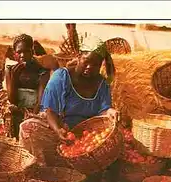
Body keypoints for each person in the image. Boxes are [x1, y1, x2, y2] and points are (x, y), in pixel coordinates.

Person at [19, 36, 119, 167]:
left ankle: (77, 163)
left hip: (85, 135)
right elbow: (50, 110)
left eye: (95, 65)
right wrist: (58, 129)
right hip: (59, 128)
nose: (90, 67)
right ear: (78, 56)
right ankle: (39, 168)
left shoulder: (102, 84)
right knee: (28, 127)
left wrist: (110, 111)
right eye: (86, 61)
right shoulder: (61, 77)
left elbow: (103, 111)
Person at [2, 34, 51, 138]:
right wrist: (14, 78)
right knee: (12, 115)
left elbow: (40, 101)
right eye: (19, 52)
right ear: (15, 54)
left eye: (26, 51)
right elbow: (12, 100)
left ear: (32, 52)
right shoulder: (10, 70)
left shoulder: (41, 71)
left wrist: (31, 118)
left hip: (35, 111)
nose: (23, 55)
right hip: (18, 109)